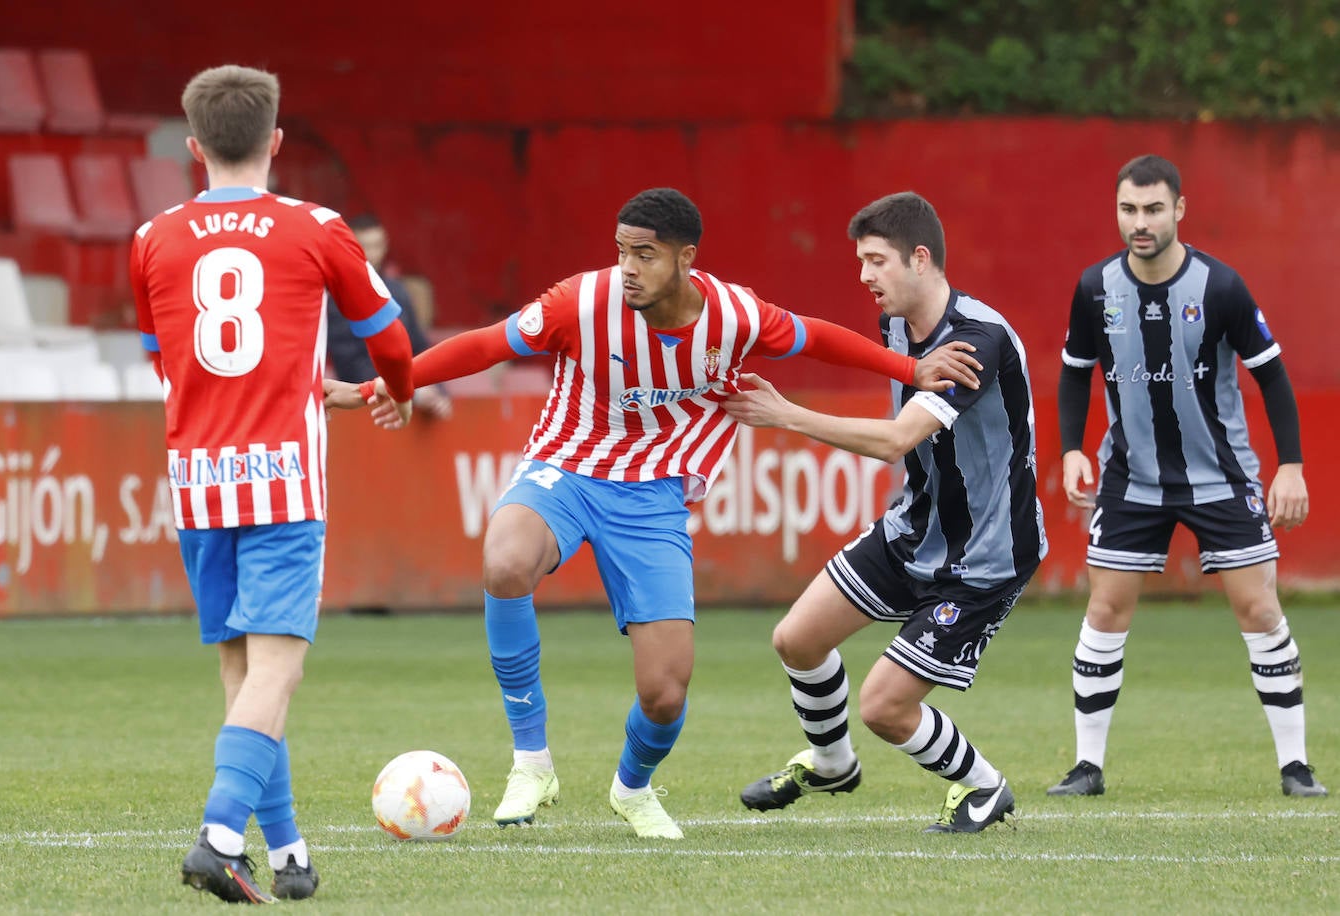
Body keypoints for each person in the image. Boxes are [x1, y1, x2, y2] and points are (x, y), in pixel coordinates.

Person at [325, 187, 983, 839]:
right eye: (621, 252)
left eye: (645, 255)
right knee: (504, 562)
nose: (628, 269)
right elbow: (487, 346)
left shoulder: (735, 317)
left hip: (655, 494)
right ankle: (532, 761)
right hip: (568, 467)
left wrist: (908, 368)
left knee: (666, 693)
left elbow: (818, 338)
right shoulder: (579, 302)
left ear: (685, 259)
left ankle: (633, 789)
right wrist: (382, 383)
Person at [130, 64, 415, 902]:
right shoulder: (317, 226)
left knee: (243, 672)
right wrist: (392, 392)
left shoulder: (152, 237)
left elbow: (164, 362)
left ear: (193, 147)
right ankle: (220, 836)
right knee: (278, 668)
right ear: (277, 141)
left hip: (199, 479)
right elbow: (390, 339)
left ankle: (287, 853)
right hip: (283, 480)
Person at [730, 191, 1045, 833]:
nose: (864, 276)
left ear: (919, 259)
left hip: (984, 556)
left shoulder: (975, 341)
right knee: (796, 639)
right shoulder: (898, 327)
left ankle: (986, 788)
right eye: (861, 261)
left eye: (875, 261)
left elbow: (896, 440)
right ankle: (832, 764)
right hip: (913, 531)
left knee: (884, 707)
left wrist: (785, 414)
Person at [1047, 154, 1326, 799]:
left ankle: (1296, 767)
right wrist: (1069, 449)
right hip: (1130, 479)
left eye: (1152, 209)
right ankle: (1087, 768)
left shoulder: (1222, 287)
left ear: (1179, 210)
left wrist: (1290, 466)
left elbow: (1272, 374)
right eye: (1128, 210)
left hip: (1220, 478)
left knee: (1259, 608)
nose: (1139, 223)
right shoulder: (1094, 288)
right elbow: (1073, 369)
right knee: (1105, 610)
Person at [327, 214, 451, 418]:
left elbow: (419, 347)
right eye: (364, 245)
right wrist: (410, 393)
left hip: (407, 403)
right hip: (364, 411)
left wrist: (438, 392)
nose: (372, 253)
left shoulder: (398, 292)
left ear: (385, 245)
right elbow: (351, 368)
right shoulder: (337, 301)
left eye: (377, 245)